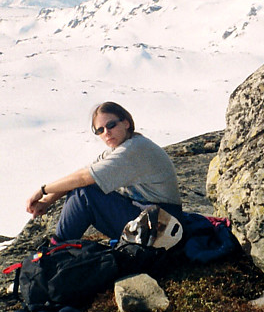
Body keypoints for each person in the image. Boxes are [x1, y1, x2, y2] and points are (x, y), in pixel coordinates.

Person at [25, 101, 183, 241]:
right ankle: (58, 249)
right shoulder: (118, 150)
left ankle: (56, 249)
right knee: (85, 189)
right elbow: (84, 173)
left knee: (84, 194)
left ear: (126, 123)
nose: (106, 132)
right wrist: (47, 201)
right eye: (100, 130)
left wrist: (43, 190)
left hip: (163, 227)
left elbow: (83, 179)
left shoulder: (135, 149)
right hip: (154, 221)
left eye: (111, 125)